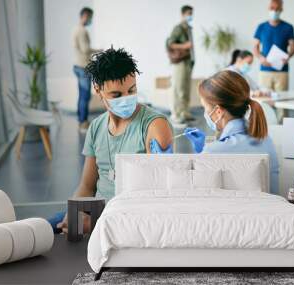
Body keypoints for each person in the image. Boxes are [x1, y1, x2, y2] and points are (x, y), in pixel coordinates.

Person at [55, 47, 173, 233]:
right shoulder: (96, 127)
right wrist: (73, 213)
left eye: (131, 90)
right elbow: (86, 186)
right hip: (97, 212)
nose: (126, 99)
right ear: (97, 89)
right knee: (43, 227)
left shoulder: (154, 126)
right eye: (116, 95)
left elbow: (156, 201)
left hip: (129, 222)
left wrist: (95, 224)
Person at [152, 70, 279, 195]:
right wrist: (203, 151)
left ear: (218, 111)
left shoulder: (216, 151)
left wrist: (166, 161)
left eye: (205, 108)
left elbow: (189, 191)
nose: (205, 113)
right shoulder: (265, 137)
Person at [253, 0, 294, 92]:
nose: (274, 11)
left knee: (282, 100)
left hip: (282, 71)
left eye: (277, 9)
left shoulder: (288, 27)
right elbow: (255, 47)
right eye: (272, 8)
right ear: (268, 8)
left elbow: (293, 48)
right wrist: (261, 58)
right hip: (265, 70)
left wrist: (288, 56)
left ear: (281, 9)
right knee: (264, 101)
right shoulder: (261, 27)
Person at [72, 7, 101, 133]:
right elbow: (85, 49)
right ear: (85, 16)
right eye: (90, 17)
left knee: (81, 95)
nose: (91, 20)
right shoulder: (82, 31)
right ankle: (83, 123)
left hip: (77, 65)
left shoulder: (75, 29)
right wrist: (98, 50)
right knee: (85, 96)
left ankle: (81, 121)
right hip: (83, 67)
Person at [167, 5, 195, 125]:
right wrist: (184, 46)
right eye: (189, 13)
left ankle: (184, 112)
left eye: (191, 13)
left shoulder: (188, 28)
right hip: (180, 63)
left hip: (188, 62)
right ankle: (175, 115)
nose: (191, 15)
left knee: (185, 89)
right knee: (177, 88)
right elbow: (170, 43)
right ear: (183, 14)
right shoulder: (178, 28)